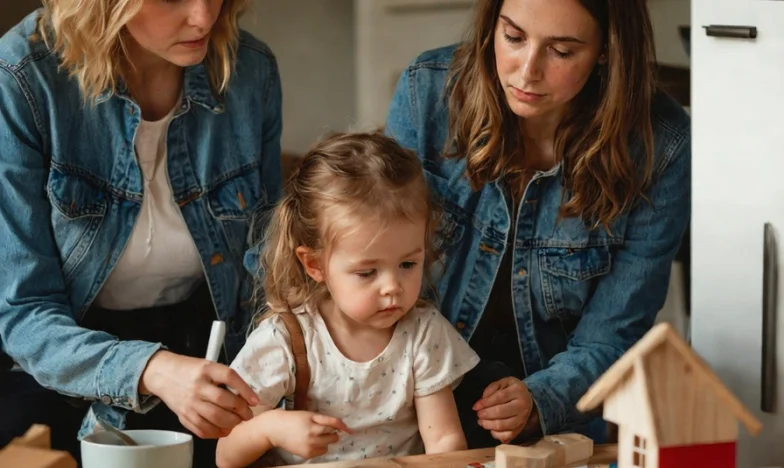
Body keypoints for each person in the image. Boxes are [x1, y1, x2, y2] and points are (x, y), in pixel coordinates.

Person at [385, 0, 691, 447]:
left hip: (551, 430)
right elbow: (370, 259)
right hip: (403, 413)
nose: (527, 71)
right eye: (513, 37)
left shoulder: (660, 144)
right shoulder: (427, 92)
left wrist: (539, 401)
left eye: (562, 52)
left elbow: (613, 334)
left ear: (607, 50)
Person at [0, 0, 282, 465]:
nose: (204, 17)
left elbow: (269, 269)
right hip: (61, 363)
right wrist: (151, 369)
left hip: (210, 352)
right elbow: (23, 312)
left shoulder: (251, 71)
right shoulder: (22, 79)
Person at [215, 132, 480, 467]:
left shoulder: (424, 334)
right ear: (315, 265)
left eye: (408, 264)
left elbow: (444, 441)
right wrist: (269, 428)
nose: (392, 287)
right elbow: (225, 455)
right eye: (367, 273)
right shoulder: (288, 338)